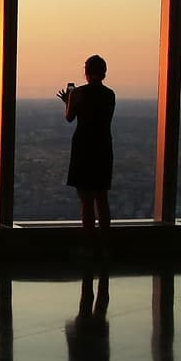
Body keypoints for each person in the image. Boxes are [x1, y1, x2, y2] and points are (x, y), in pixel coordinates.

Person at [57, 55, 115, 254]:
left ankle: (90, 245)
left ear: (86, 72)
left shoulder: (78, 93)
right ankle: (106, 244)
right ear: (104, 72)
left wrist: (68, 100)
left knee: (86, 200)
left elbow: (69, 117)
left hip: (83, 146)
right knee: (102, 198)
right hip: (103, 146)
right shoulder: (110, 95)